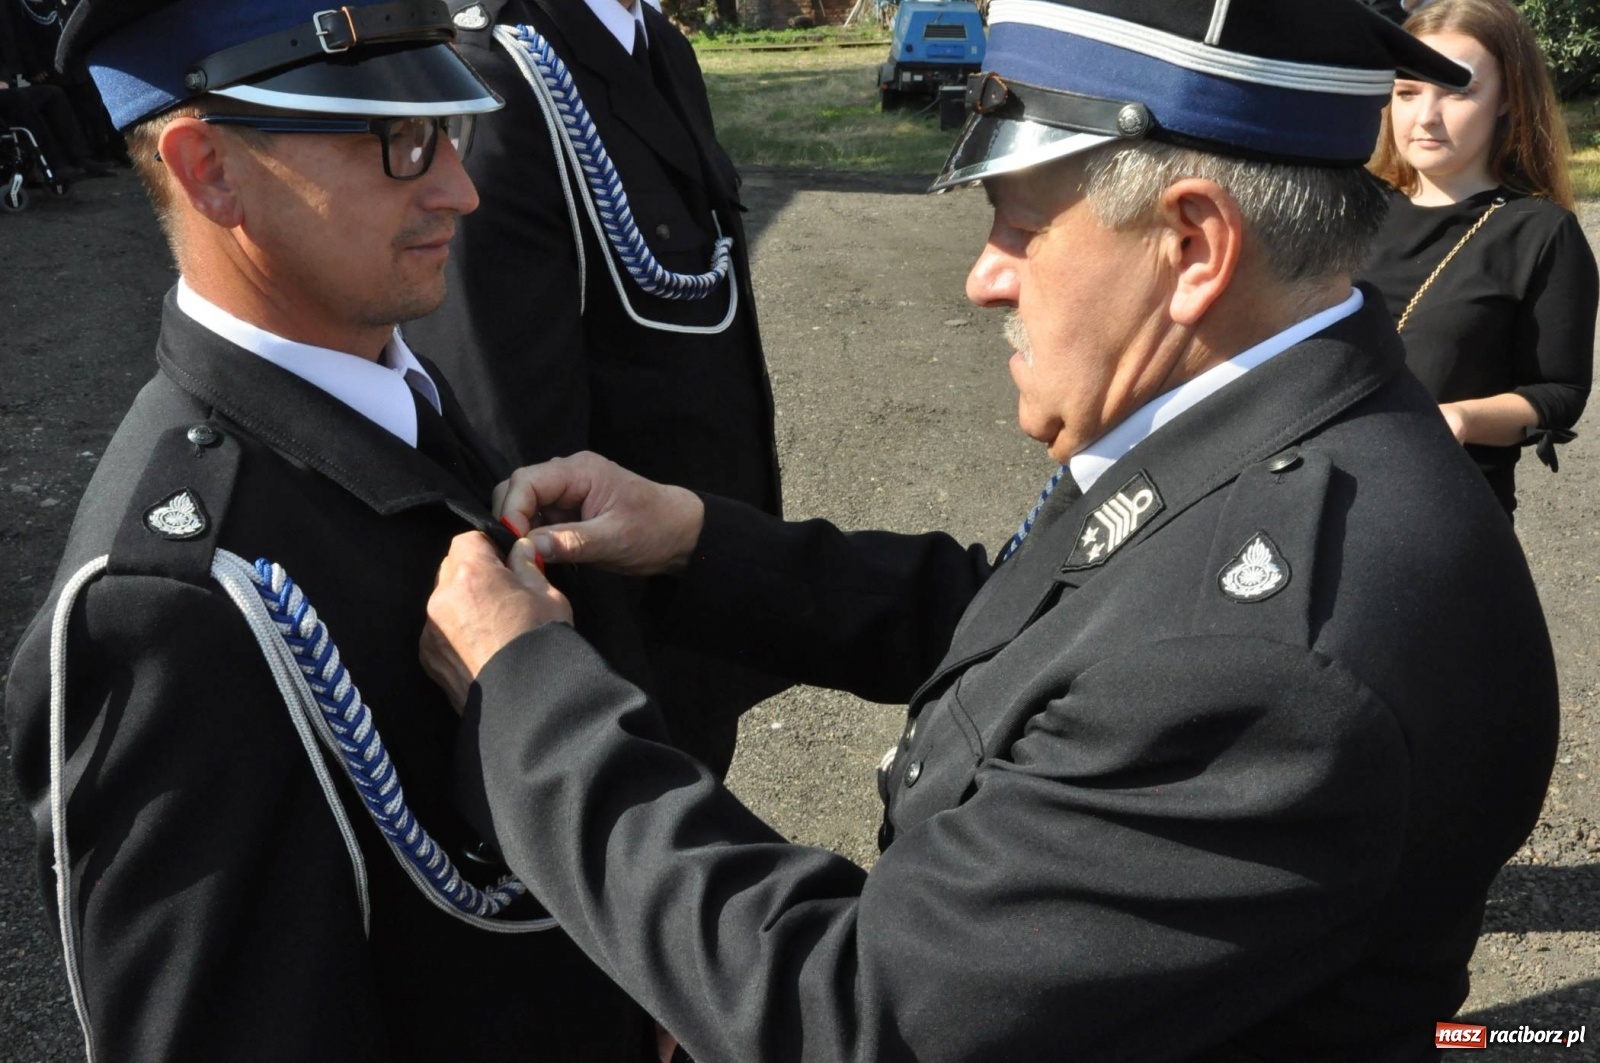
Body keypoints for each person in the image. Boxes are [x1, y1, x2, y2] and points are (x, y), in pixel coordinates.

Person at [422, 1, 1561, 1060]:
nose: (982, 279)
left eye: (1018, 228)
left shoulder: (1265, 661)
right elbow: (1053, 626)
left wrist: (528, 698)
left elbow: (855, 1011)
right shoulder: (1280, 421)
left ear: (1194, 247)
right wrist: (699, 544)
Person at [3, 1, 658, 1059]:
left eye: (449, 130)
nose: (460, 186)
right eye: (397, 142)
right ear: (210, 170)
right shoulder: (168, 608)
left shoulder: (391, 389)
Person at [403, 0, 784, 776]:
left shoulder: (659, 44)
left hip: (698, 583)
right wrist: (600, 712)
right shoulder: (501, 74)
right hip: (618, 643)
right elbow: (513, 444)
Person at [1361, 0, 1598, 516]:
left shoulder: (1540, 231)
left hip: (1446, 513)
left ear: (1507, 99)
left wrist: (1462, 418)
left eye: (1458, 90)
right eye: (1407, 92)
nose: (1426, 116)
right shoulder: (1352, 206)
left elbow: (1559, 392)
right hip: (1316, 498)